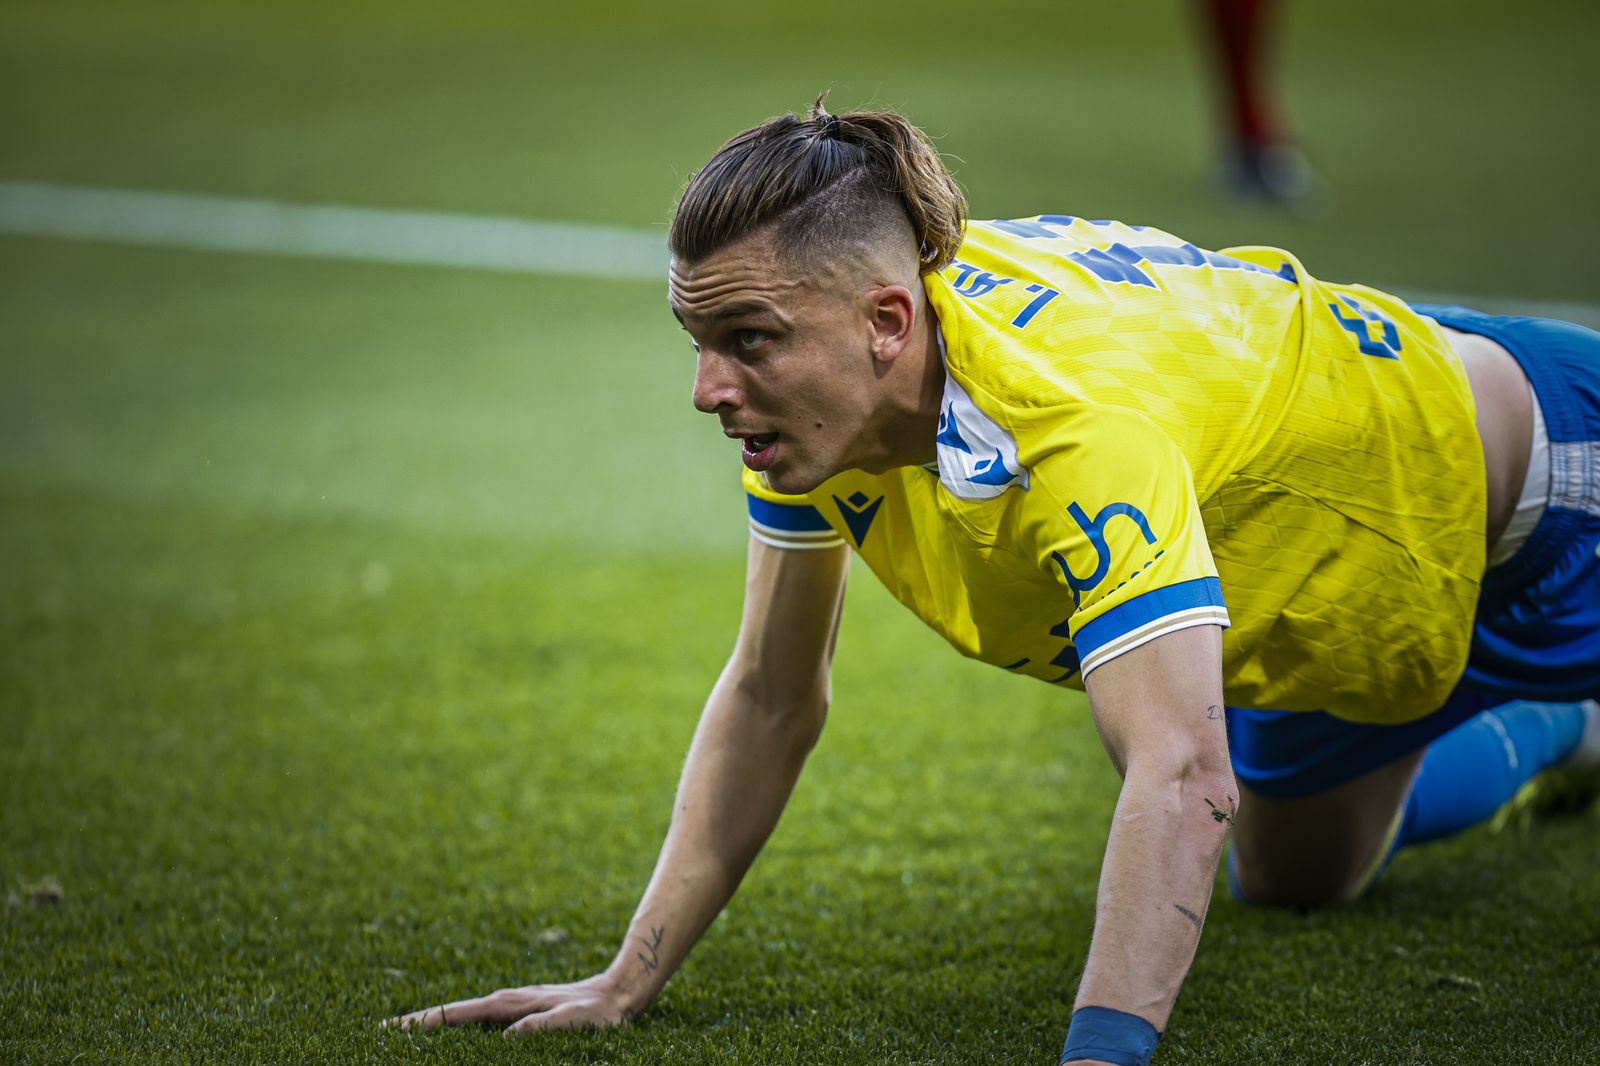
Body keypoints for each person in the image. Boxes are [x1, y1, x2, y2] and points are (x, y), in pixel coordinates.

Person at [389, 100, 1599, 1064]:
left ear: (885, 321)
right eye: (698, 342)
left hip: (1534, 481)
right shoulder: (831, 409)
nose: (707, 390)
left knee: (1209, 808)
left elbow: (1178, 774)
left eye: (746, 342)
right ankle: (1564, 725)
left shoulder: (1072, 433)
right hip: (1328, 566)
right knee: (1289, 881)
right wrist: (625, 974)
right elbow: (770, 694)